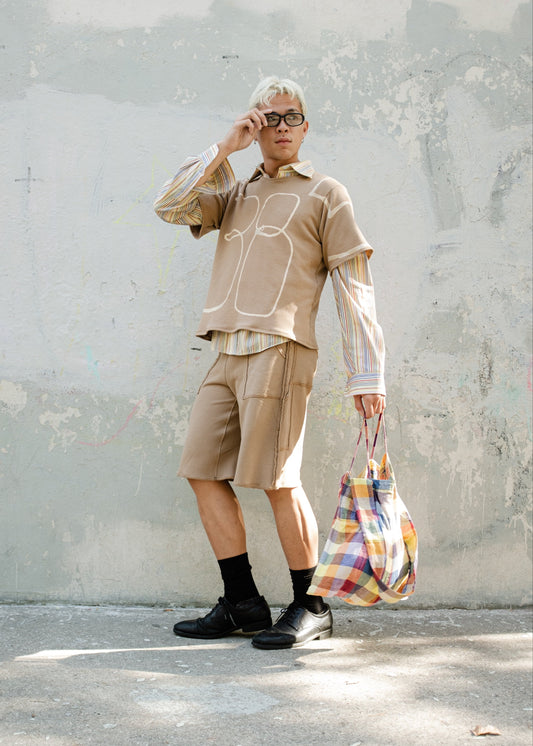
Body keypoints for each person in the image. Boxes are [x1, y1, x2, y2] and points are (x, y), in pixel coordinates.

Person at [153, 76, 386, 650]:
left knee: (277, 481)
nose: (281, 127)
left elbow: (354, 287)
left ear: (306, 127)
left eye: (292, 117)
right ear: (256, 126)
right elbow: (168, 204)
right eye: (269, 117)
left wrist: (368, 374)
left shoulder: (326, 192)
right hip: (225, 349)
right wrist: (224, 148)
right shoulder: (232, 191)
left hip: (281, 350)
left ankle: (312, 603)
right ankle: (243, 602)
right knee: (202, 471)